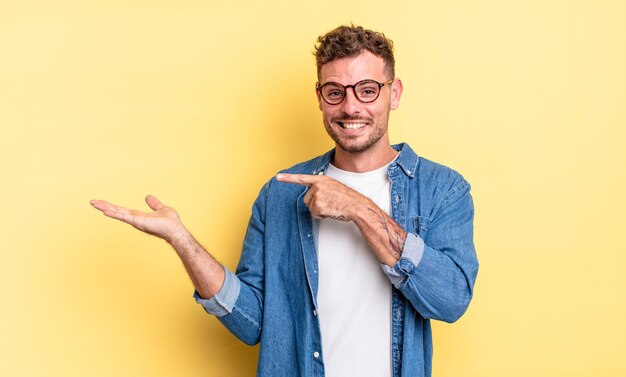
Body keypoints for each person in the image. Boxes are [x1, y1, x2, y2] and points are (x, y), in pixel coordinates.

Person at [90, 25, 478, 377]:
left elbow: (451, 301)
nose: (350, 106)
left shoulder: (442, 189)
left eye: (367, 90)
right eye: (335, 92)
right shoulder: (281, 192)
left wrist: (358, 208)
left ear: (393, 94)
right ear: (320, 98)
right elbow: (253, 324)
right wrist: (182, 240)